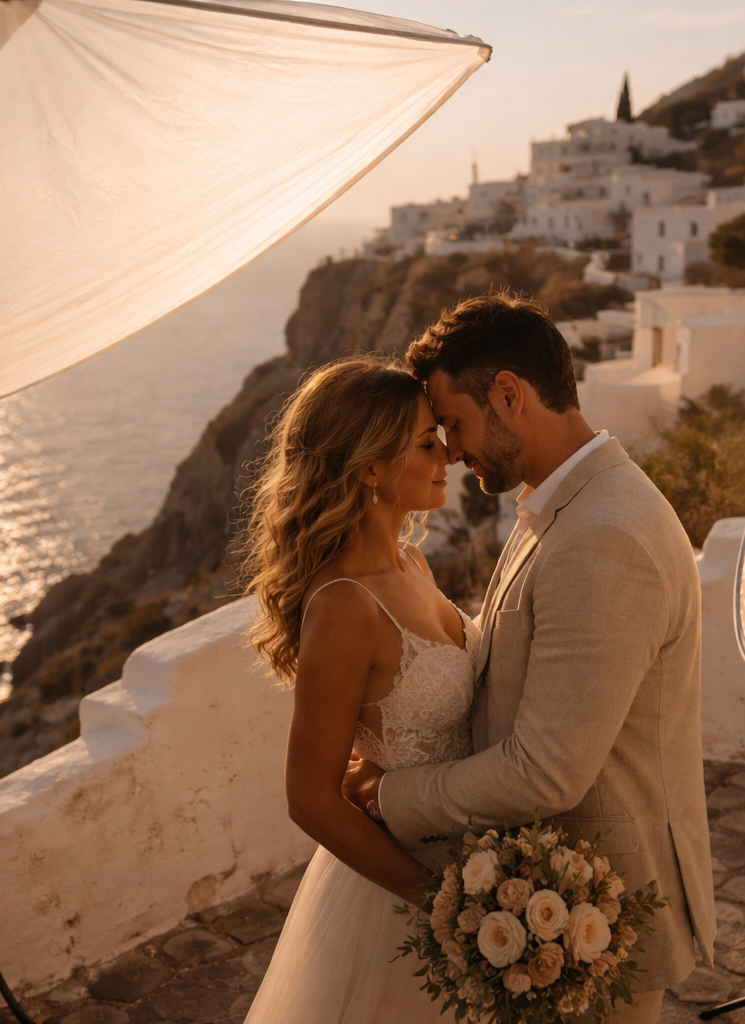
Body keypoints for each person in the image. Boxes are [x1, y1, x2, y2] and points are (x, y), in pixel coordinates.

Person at [343, 293, 717, 1024]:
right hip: (555, 902)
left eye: (454, 422)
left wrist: (387, 796)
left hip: (598, 919)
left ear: (510, 395)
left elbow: (546, 771)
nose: (449, 448)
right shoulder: (561, 503)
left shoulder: (603, 534)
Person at [241, 356, 476, 1024]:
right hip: (400, 897)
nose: (448, 455)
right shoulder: (344, 606)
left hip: (474, 855)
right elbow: (310, 797)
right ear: (371, 466)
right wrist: (439, 900)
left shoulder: (412, 561)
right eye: (427, 443)